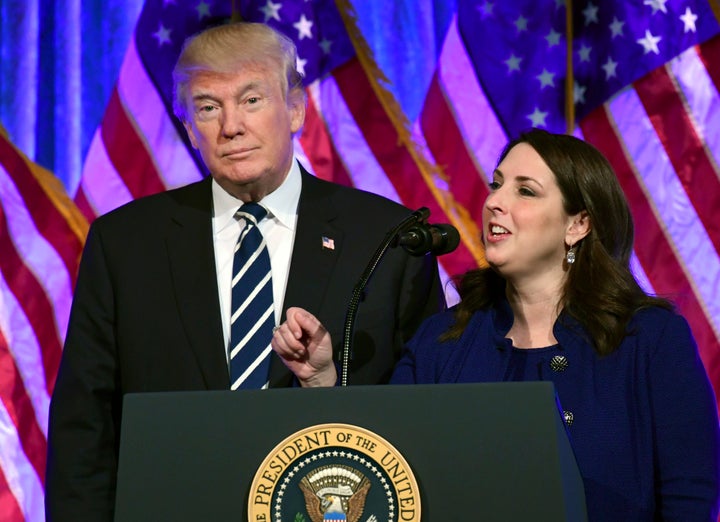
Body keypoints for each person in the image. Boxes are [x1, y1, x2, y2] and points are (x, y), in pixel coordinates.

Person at [45, 22, 444, 521]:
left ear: (295, 108)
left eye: (252, 100)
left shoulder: (386, 239)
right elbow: (85, 423)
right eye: (208, 107)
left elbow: (426, 412)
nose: (230, 126)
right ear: (189, 127)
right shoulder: (125, 243)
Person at [272, 129, 720, 521]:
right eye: (496, 185)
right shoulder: (442, 342)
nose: (494, 202)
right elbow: (387, 468)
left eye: (525, 191)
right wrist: (322, 381)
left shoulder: (648, 338)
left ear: (578, 224)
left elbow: (689, 496)